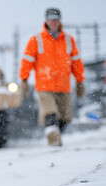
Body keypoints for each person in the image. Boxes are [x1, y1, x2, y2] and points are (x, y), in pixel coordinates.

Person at [20, 8, 85, 146]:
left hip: (64, 85)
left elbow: (76, 62)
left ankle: (55, 134)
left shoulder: (68, 40)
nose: (53, 22)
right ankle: (53, 138)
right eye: (51, 19)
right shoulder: (36, 40)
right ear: (46, 20)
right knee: (50, 112)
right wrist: (24, 80)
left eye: (56, 19)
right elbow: (27, 61)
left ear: (60, 20)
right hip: (44, 85)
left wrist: (80, 81)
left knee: (66, 117)